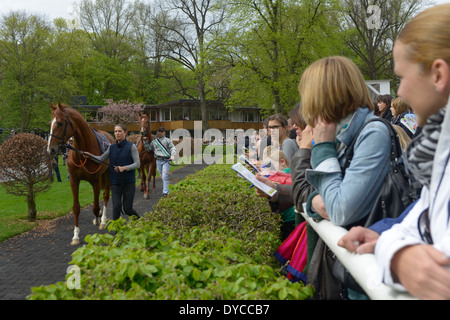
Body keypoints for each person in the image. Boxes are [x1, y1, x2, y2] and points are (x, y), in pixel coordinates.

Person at [371, 3, 450, 300]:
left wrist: (395, 253)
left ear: (438, 74)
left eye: (402, 77)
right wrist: (400, 256)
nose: (400, 92)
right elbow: (409, 227)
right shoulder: (438, 152)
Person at [298, 56, 392, 227]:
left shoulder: (373, 134)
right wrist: (313, 200)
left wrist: (323, 148)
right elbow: (321, 194)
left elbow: (340, 211)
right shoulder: (338, 133)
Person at [85, 124, 141, 220]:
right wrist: (90, 155)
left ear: (125, 133)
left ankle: (139, 220)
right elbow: (101, 159)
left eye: (120, 131)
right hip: (115, 182)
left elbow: (137, 164)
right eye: (115, 131)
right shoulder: (112, 147)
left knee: (128, 209)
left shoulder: (131, 147)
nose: (117, 133)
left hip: (128, 182)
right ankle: (116, 232)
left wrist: (124, 168)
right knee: (116, 207)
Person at [143, 127, 176, 196]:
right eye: (159, 131)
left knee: (164, 176)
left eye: (162, 131)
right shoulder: (154, 142)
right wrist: (145, 142)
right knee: (162, 176)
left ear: (164, 133)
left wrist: (172, 155)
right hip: (158, 161)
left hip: (166, 160)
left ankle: (165, 192)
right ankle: (168, 189)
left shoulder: (168, 140)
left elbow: (172, 148)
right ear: (157, 132)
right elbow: (148, 149)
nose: (160, 133)